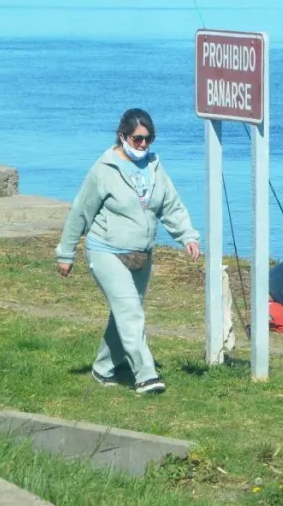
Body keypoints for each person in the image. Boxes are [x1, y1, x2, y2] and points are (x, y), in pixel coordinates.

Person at [55, 108, 200, 396]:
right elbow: (81, 212)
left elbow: (170, 206)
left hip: (141, 255)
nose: (144, 145)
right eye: (137, 139)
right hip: (105, 250)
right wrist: (65, 253)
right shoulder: (103, 169)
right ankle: (146, 376)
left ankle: (102, 369)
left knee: (124, 314)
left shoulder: (155, 167)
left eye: (149, 139)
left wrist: (187, 236)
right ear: (122, 136)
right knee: (130, 313)